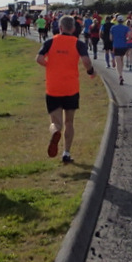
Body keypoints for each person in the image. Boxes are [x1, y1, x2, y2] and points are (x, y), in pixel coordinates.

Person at [36, 15, 95, 164]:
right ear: (74, 29)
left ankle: (55, 132)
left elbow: (39, 59)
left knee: (55, 122)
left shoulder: (50, 42)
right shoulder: (78, 43)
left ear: (60, 27)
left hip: (53, 87)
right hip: (71, 87)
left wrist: (49, 65)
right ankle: (66, 153)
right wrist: (90, 71)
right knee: (69, 121)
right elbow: (86, 61)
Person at [110, 15, 130, 85]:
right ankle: (121, 72)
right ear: (123, 21)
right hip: (124, 46)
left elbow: (111, 38)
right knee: (121, 59)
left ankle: (120, 75)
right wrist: (125, 39)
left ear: (117, 20)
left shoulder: (113, 28)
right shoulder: (126, 28)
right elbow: (129, 36)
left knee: (117, 60)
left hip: (116, 45)